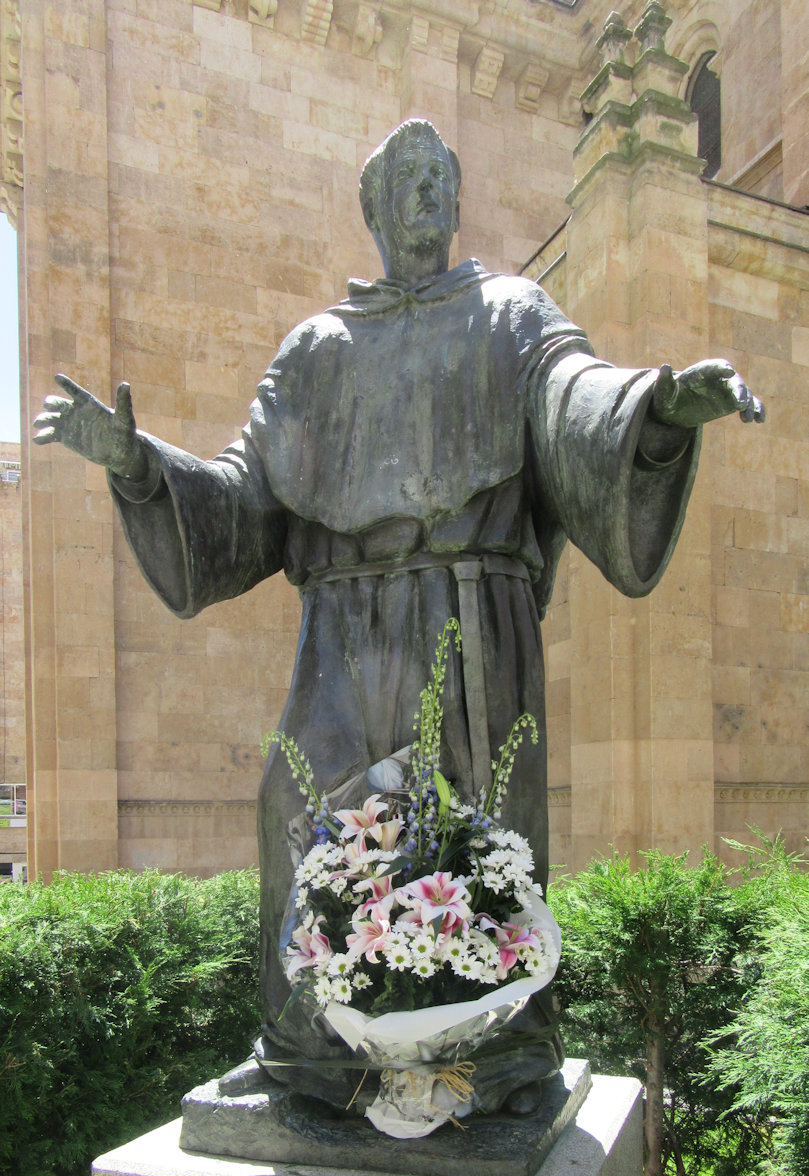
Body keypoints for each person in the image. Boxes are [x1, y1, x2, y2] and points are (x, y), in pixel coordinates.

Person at [34, 119, 763, 1114]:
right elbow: (245, 501)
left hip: (474, 618)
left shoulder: (510, 313)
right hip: (342, 630)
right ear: (373, 209)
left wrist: (658, 408)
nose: (425, 194)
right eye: (406, 181)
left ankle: (502, 1058)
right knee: (296, 814)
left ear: (454, 203)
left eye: (439, 178)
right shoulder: (315, 353)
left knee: (481, 830)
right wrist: (137, 465)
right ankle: (307, 1057)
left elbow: (571, 398)